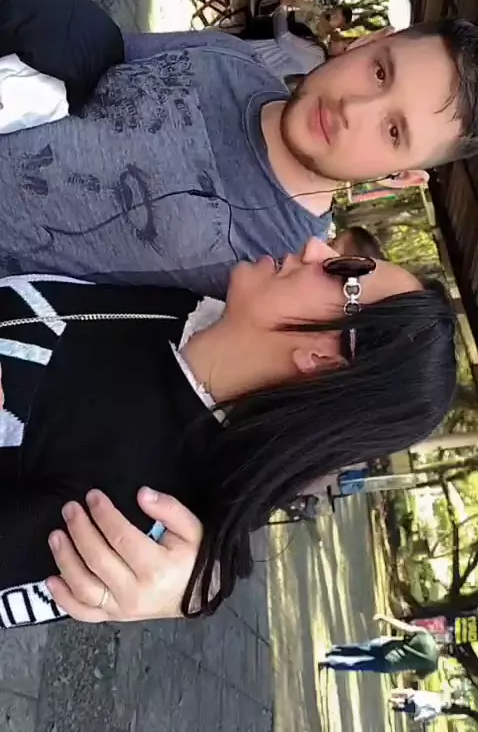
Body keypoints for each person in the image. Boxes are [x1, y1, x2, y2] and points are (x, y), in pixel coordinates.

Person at [0, 238, 456, 628]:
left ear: (323, 362)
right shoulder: (193, 306)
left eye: (344, 272)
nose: (316, 247)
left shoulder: (131, 515)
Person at [0, 20, 477, 296]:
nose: (354, 109)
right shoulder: (224, 55)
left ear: (401, 176)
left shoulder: (272, 275)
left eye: (393, 131)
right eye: (380, 72)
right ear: (367, 41)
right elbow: (85, 53)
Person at [318, 613, 442, 675]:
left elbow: (404, 627)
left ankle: (333, 650)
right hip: (391, 664)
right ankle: (329, 663)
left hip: (388, 646)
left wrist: (384, 618)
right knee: (359, 665)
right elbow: (416, 676)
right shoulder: (432, 666)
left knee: (361, 648)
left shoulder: (426, 636)